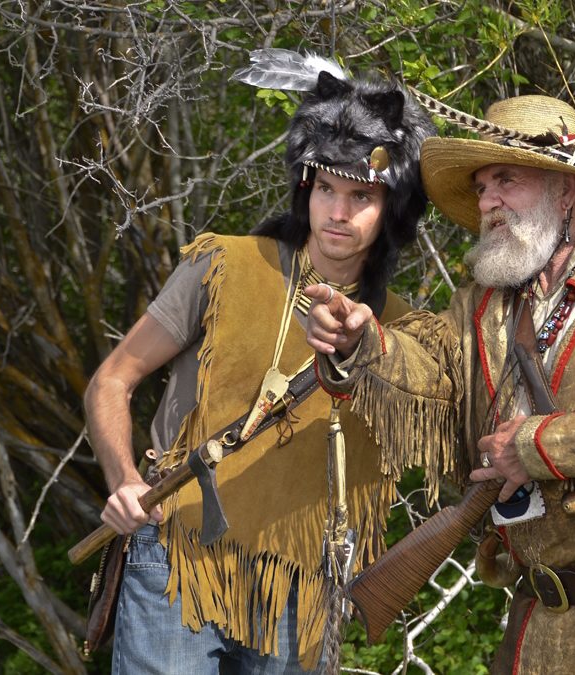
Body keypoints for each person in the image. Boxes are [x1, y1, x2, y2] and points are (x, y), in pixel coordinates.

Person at [305, 94, 575, 674]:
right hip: (535, 621)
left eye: (505, 181)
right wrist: (363, 344)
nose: (487, 201)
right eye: (483, 187)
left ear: (566, 190)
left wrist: (544, 447)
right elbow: (430, 380)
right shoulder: (481, 304)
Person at [84, 55, 435, 673]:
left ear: (393, 209)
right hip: (177, 556)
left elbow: (437, 435)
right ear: (306, 186)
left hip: (300, 584)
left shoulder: (404, 332)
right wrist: (123, 482)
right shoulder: (224, 265)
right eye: (325, 187)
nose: (338, 212)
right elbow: (112, 379)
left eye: (361, 195)